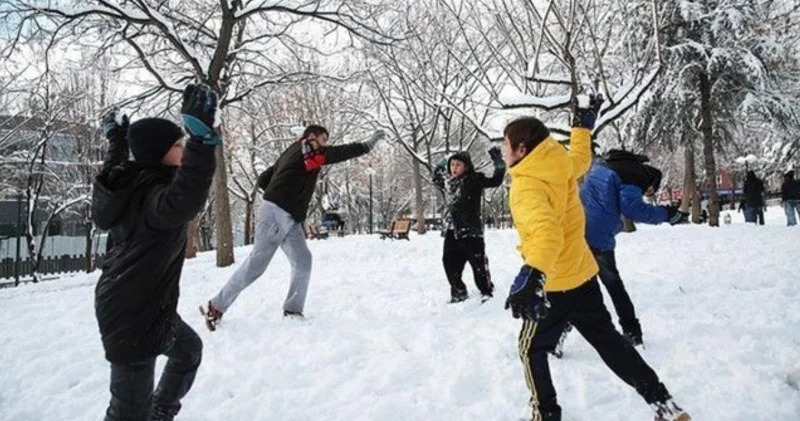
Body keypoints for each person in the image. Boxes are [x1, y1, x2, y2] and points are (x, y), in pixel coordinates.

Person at [502, 94, 690, 421]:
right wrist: (581, 128)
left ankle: (545, 413)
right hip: (584, 276)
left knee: (530, 349)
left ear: (521, 149)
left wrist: (532, 273)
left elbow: (547, 235)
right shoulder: (559, 164)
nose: (504, 151)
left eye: (506, 144)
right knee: (610, 343)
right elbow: (581, 158)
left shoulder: (527, 186)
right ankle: (664, 404)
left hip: (554, 282)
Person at [92, 84, 220, 421]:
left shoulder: (128, 182)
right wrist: (203, 144)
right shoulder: (153, 195)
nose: (182, 151)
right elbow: (184, 198)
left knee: (188, 352)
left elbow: (113, 169)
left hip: (147, 308)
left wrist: (117, 142)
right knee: (127, 413)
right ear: (161, 153)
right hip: (131, 317)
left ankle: (160, 413)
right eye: (178, 146)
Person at [202, 127, 384, 329]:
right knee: (257, 265)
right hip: (277, 214)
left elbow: (264, 179)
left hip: (289, 217)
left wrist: (284, 189)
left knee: (303, 260)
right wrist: (367, 145)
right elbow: (337, 153)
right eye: (323, 140)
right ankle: (216, 305)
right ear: (312, 136)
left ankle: (293, 310)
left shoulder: (293, 151)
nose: (324, 145)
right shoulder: (309, 149)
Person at [578, 150, 688, 346]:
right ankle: (632, 331)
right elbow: (634, 209)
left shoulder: (604, 163)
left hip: (577, 227)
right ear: (650, 183)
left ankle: (556, 333)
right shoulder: (635, 176)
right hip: (599, 235)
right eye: (650, 191)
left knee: (575, 284)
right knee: (613, 284)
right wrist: (667, 214)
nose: (648, 194)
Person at [432, 147, 506, 303]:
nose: (454, 168)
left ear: (466, 166)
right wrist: (443, 160)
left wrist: (498, 161)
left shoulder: (474, 180)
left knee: (477, 264)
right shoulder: (449, 183)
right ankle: (458, 292)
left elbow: (496, 180)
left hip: (471, 231)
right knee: (449, 263)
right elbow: (436, 177)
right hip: (453, 231)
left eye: (458, 165)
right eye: (452, 165)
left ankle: (486, 290)